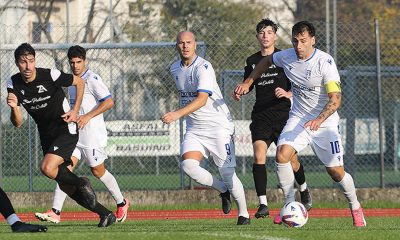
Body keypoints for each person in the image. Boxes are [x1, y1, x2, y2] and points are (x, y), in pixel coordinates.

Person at [234, 21, 366, 227]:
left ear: (313, 40)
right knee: (282, 154)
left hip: (326, 123)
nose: (298, 46)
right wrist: (248, 82)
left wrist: (319, 120)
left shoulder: (325, 62)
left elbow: (335, 99)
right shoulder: (286, 56)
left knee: (336, 172)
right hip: (298, 118)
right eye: (295, 41)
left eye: (303, 41)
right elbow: (266, 60)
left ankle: (355, 206)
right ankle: (288, 205)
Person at [7, 43, 116, 228]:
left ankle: (82, 182)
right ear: (17, 63)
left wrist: (75, 111)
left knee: (47, 168)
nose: (28, 66)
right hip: (46, 134)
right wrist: (15, 107)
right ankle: (104, 213)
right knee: (65, 183)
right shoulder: (13, 83)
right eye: (23, 62)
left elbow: (79, 82)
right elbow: (18, 123)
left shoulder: (50, 74)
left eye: (31, 61)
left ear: (35, 61)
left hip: (65, 128)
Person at [161, 31, 250, 225]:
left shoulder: (204, 67)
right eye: (181, 43)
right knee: (188, 166)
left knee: (227, 172)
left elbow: (202, 100)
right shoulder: (175, 68)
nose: (185, 46)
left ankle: (244, 213)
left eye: (189, 43)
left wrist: (176, 114)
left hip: (218, 126)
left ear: (195, 45)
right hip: (195, 128)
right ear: (176, 45)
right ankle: (223, 190)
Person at [34, 45, 130, 224]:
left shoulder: (92, 79)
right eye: (72, 62)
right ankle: (55, 211)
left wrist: (87, 116)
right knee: (63, 171)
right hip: (74, 135)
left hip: (92, 135)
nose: (76, 65)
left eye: (79, 62)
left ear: (85, 61)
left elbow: (109, 102)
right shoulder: (73, 81)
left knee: (98, 171)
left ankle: (122, 202)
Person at [233, 19, 311, 220]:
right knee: (259, 155)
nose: (265, 35)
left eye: (269, 32)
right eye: (262, 32)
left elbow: (301, 84)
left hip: (284, 116)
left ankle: (303, 189)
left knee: (291, 160)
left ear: (275, 36)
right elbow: (248, 83)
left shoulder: (285, 57)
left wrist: (288, 93)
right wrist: (241, 90)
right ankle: (263, 204)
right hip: (261, 116)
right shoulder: (251, 60)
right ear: (258, 37)